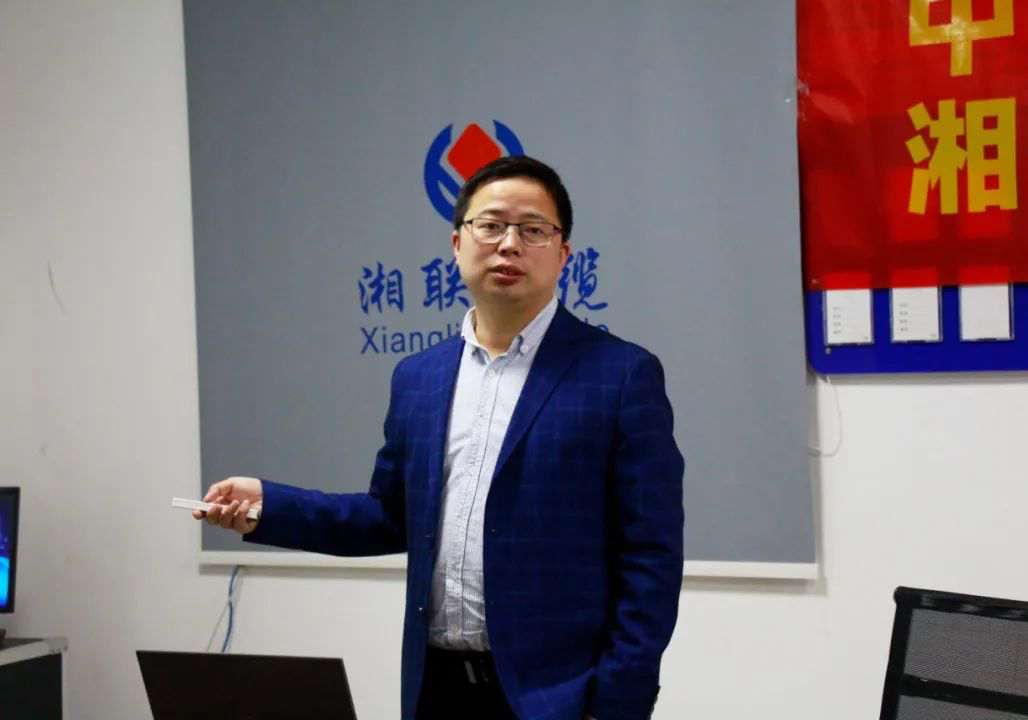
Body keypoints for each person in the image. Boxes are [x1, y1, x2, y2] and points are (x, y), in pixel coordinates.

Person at [196, 156, 684, 720]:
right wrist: (269, 506)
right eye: (490, 225)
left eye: (533, 230)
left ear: (563, 253)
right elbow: (391, 517)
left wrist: (617, 702)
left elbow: (651, 556)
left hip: (560, 699)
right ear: (457, 243)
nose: (509, 244)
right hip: (437, 690)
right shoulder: (419, 377)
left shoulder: (620, 375)